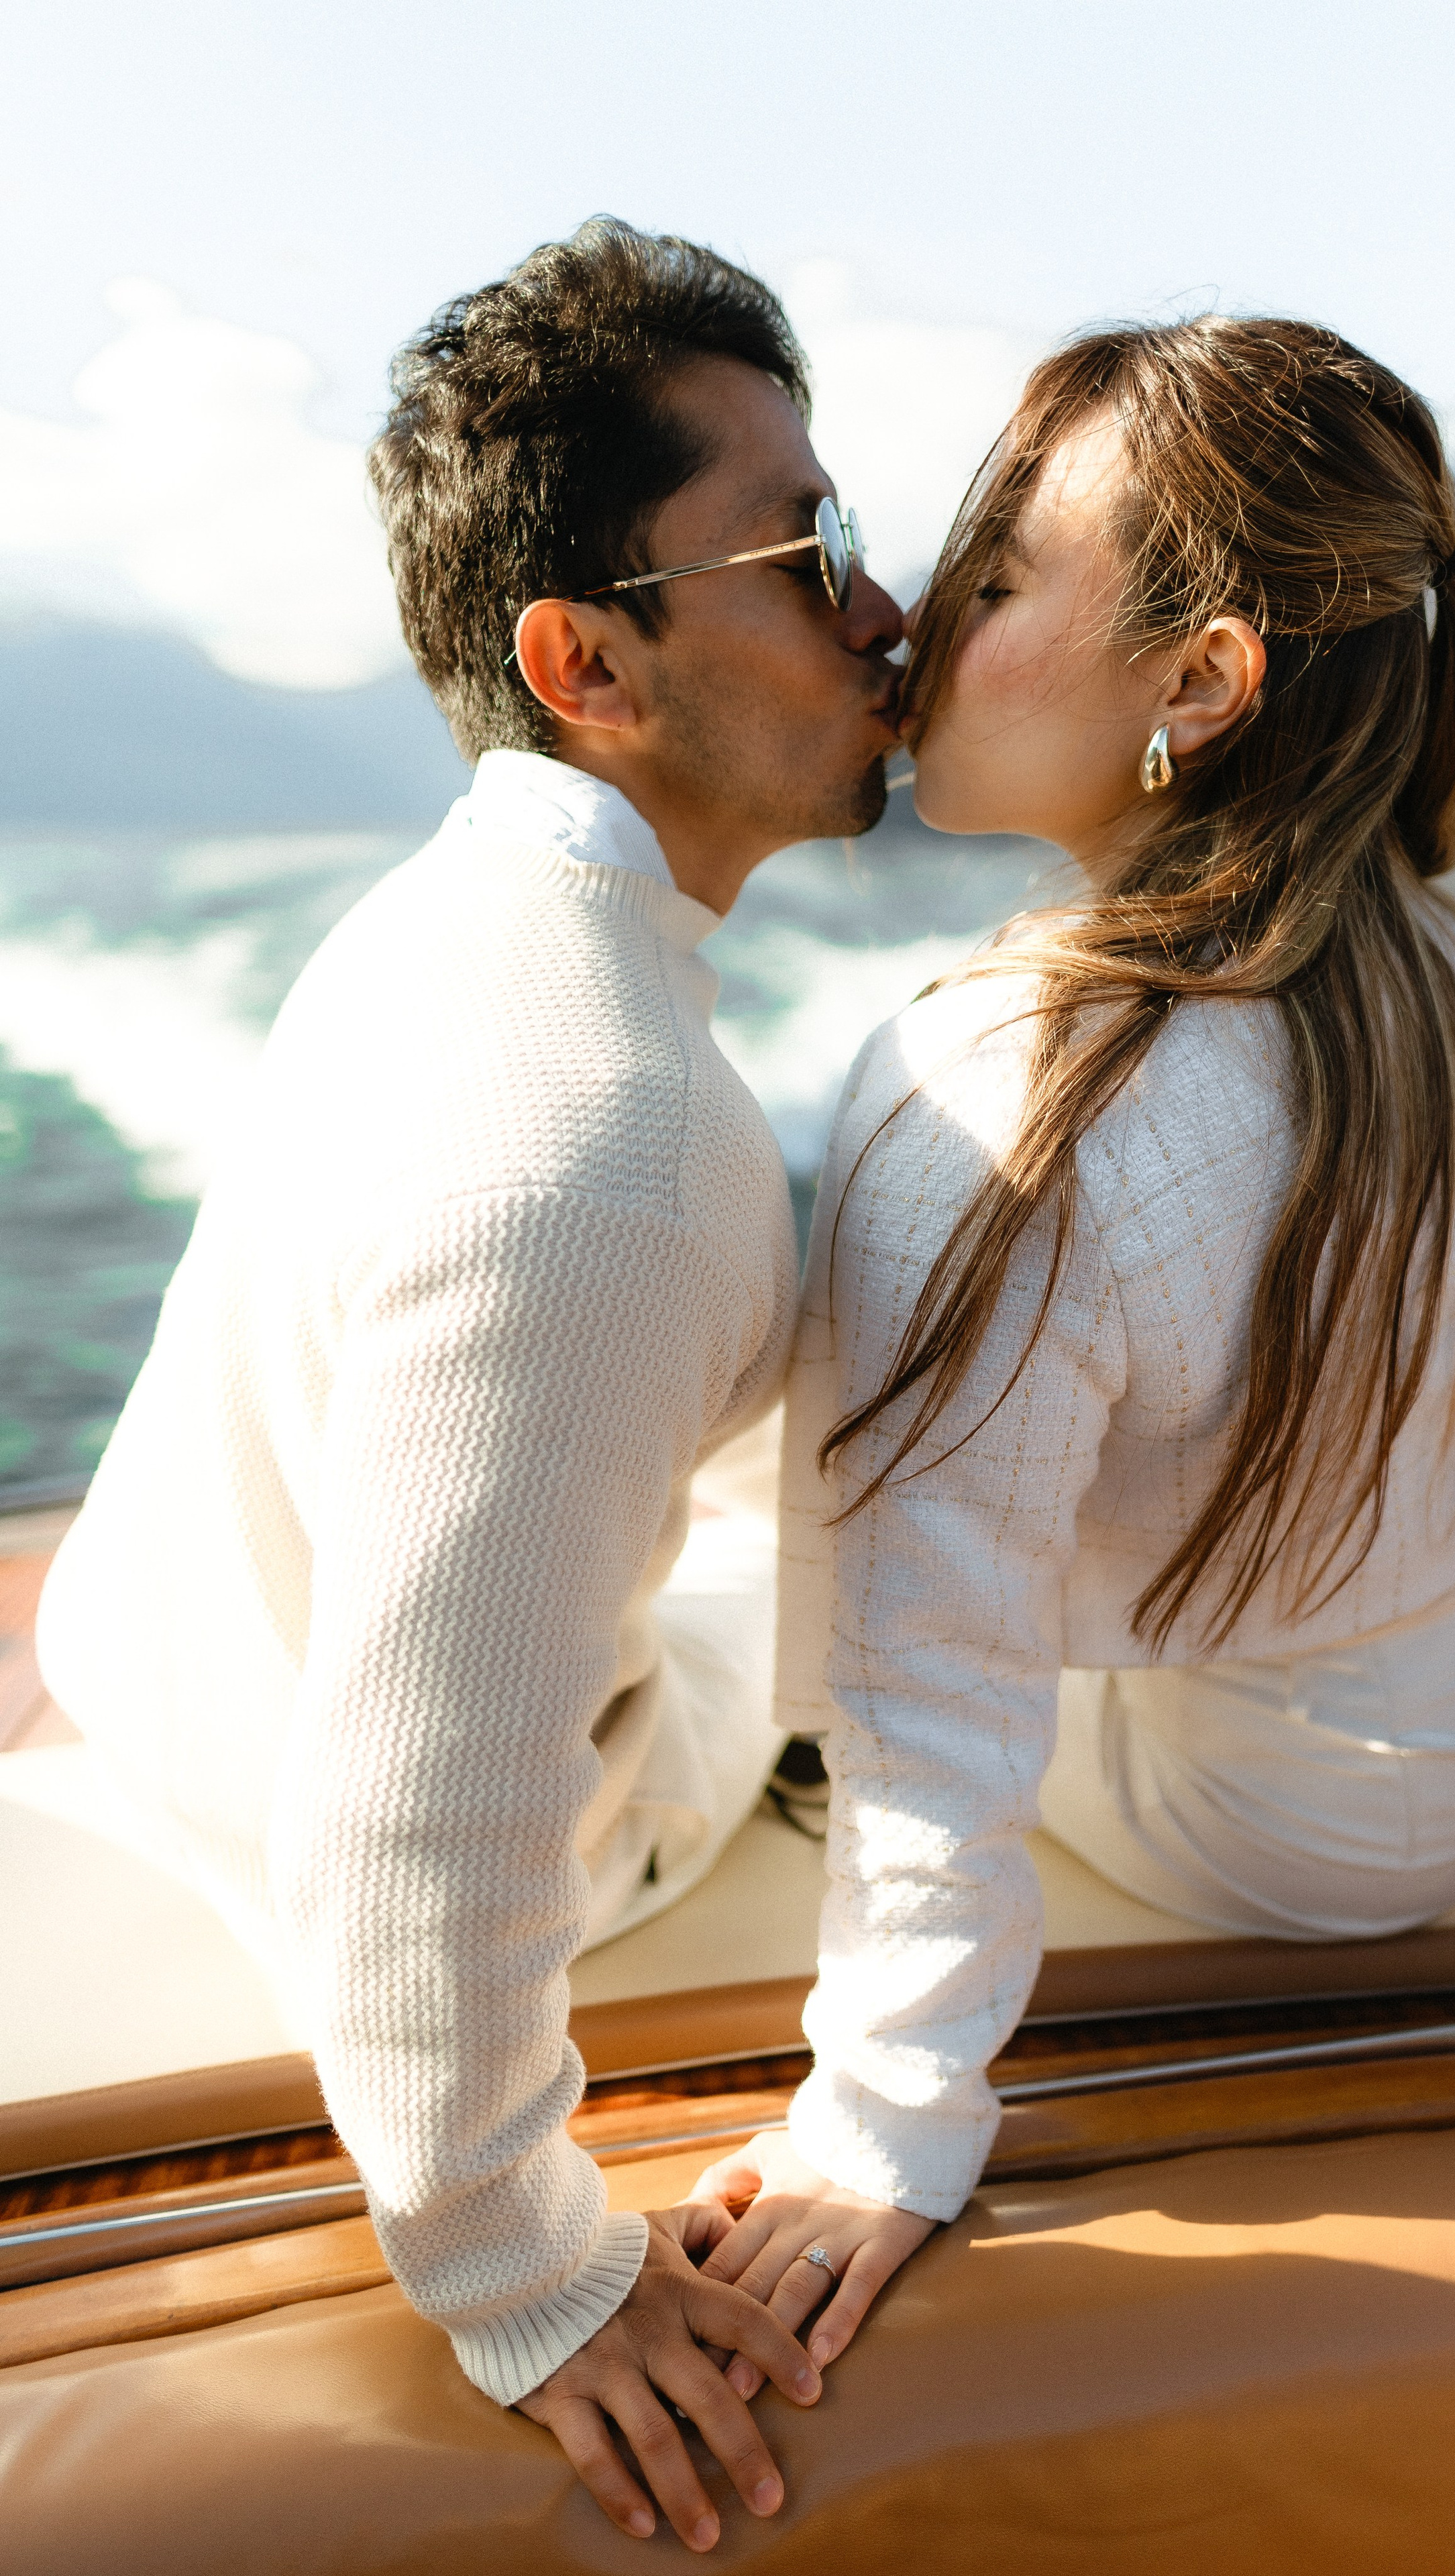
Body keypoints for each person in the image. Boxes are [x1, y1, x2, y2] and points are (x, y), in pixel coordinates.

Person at [36, 218, 904, 2555]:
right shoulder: (614, 1150)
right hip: (353, 1819)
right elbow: (423, 1819)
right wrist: (528, 2272)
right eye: (814, 556)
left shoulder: (455, 916)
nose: (889, 617)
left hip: (159, 1676)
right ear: (587, 660)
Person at [688, 317, 1455, 2363]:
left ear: (1204, 685)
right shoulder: (1413, 951)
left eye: (1007, 571)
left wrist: (886, 2115)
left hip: (1305, 1835)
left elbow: (924, 1677)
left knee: (709, 1559)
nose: (928, 616)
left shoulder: (995, 1102)